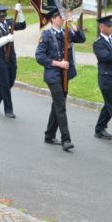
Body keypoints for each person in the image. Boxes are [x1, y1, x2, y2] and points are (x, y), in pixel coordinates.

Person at [34, 8, 86, 151]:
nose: (62, 19)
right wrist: (58, 63)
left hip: (65, 75)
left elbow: (82, 38)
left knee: (57, 105)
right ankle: (66, 139)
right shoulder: (46, 35)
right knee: (61, 107)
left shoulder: (65, 33)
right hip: (53, 75)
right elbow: (39, 56)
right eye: (59, 17)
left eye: (62, 17)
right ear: (52, 19)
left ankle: (49, 135)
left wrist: (72, 24)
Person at [0, 4, 27, 118]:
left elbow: (23, 25)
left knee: (11, 81)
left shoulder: (10, 22)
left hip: (11, 57)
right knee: (4, 83)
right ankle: (8, 110)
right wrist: (6, 39)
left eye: (3, 16)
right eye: (0, 17)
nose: (2, 18)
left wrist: (20, 12)